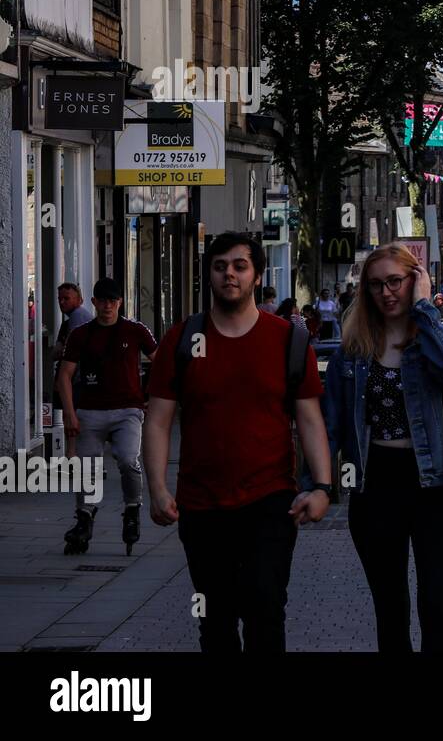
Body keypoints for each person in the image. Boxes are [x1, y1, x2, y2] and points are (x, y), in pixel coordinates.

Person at [142, 232, 333, 653]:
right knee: (216, 622)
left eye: (240, 266)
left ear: (257, 275)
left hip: (271, 501)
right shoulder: (181, 340)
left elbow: (309, 418)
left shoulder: (289, 339)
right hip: (202, 506)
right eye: (220, 266)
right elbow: (157, 420)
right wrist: (156, 488)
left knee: (265, 609)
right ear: (208, 275)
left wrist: (321, 487)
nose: (229, 273)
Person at [322, 244, 443, 652]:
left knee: (434, 605)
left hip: (436, 488)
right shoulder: (352, 352)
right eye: (376, 285)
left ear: (414, 280)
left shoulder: (440, 336)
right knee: (390, 608)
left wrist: (424, 306)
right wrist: (316, 486)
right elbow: (330, 427)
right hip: (376, 488)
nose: (387, 292)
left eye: (396, 281)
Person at [56, 278, 159, 555]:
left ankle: (132, 509)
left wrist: (150, 396)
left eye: (112, 301)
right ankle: (84, 518)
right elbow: (64, 375)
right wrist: (69, 413)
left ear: (120, 303)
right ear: (93, 302)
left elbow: (161, 362)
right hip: (90, 411)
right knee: (86, 469)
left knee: (127, 459)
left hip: (128, 410)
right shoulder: (81, 334)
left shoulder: (135, 330)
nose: (107, 307)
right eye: (102, 301)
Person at [51, 282, 94, 415]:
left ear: (79, 300)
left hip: (78, 381)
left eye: (66, 298)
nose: (62, 302)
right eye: (59, 299)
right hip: (75, 380)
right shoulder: (68, 322)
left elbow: (69, 352)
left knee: (73, 421)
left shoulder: (78, 316)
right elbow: (56, 353)